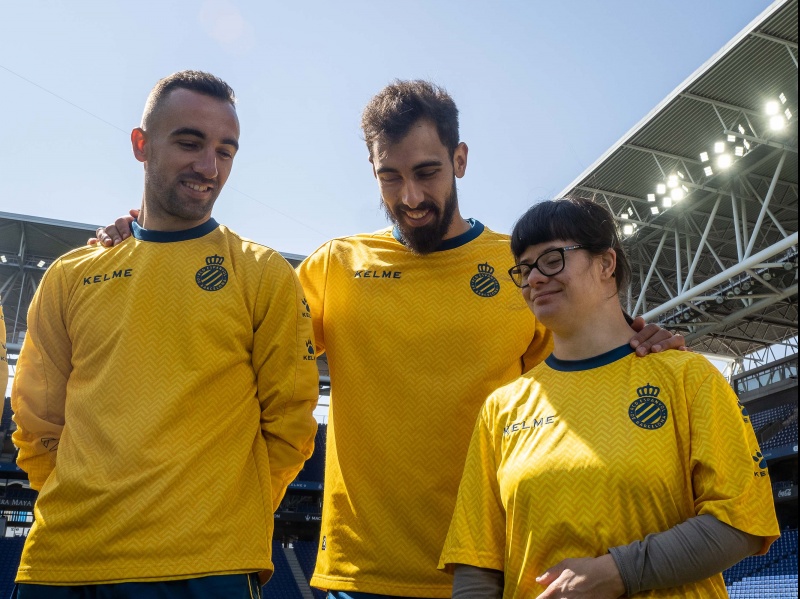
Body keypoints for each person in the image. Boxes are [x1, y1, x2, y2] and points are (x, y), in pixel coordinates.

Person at [92, 80, 684, 599]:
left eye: (427, 172)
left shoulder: (520, 270)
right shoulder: (335, 267)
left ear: (460, 159)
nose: (410, 198)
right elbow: (229, 337)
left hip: (495, 567)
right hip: (361, 573)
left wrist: (641, 344)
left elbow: (584, 375)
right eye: (390, 176)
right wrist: (144, 241)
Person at [11, 70, 319, 599]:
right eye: (189, 143)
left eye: (225, 151)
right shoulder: (70, 275)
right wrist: (77, 507)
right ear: (141, 144)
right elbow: (37, 420)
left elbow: (290, 423)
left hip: (207, 567)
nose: (209, 167)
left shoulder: (263, 273)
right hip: (65, 564)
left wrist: (223, 513)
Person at [439, 197, 780, 599]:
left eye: (551, 260)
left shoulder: (688, 377)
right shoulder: (502, 408)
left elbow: (739, 521)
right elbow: (478, 563)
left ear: (606, 263)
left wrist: (619, 572)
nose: (534, 279)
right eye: (525, 269)